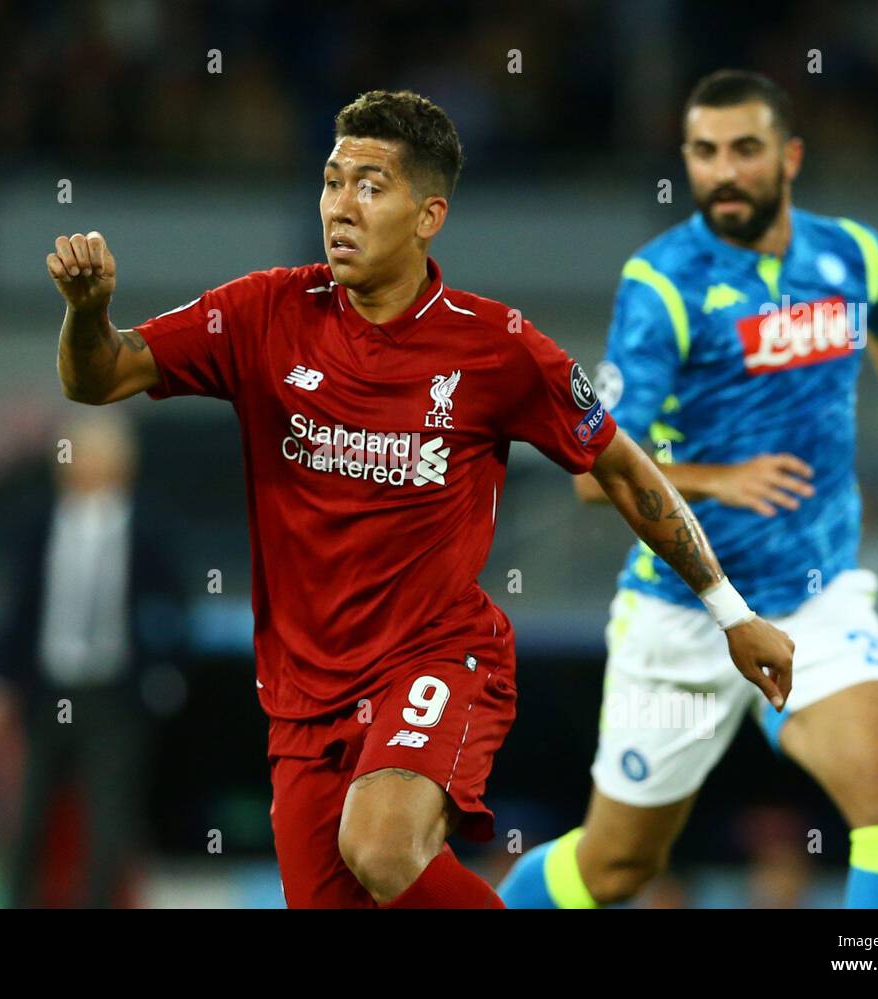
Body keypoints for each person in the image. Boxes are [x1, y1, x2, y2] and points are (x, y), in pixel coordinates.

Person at [47, 89, 794, 909]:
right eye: (332, 182)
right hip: (303, 699)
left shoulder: (495, 347)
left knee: (381, 842)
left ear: (428, 214)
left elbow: (620, 466)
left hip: (437, 659)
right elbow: (101, 375)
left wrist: (730, 610)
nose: (341, 206)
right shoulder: (262, 313)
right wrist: (88, 314)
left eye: (370, 186)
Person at [498, 70, 878, 910]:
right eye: (704, 152)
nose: (723, 171)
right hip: (685, 611)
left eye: (744, 149)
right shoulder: (663, 284)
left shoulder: (851, 253)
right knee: (616, 867)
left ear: (789, 157)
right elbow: (592, 474)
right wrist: (715, 478)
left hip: (815, 598)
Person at [0, 410, 184, 907]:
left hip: (114, 695)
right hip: (46, 691)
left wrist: (158, 682)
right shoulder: (40, 526)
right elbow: (16, 612)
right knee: (28, 816)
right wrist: (0, 682)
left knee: (109, 819)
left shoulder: (148, 530)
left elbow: (173, 612)